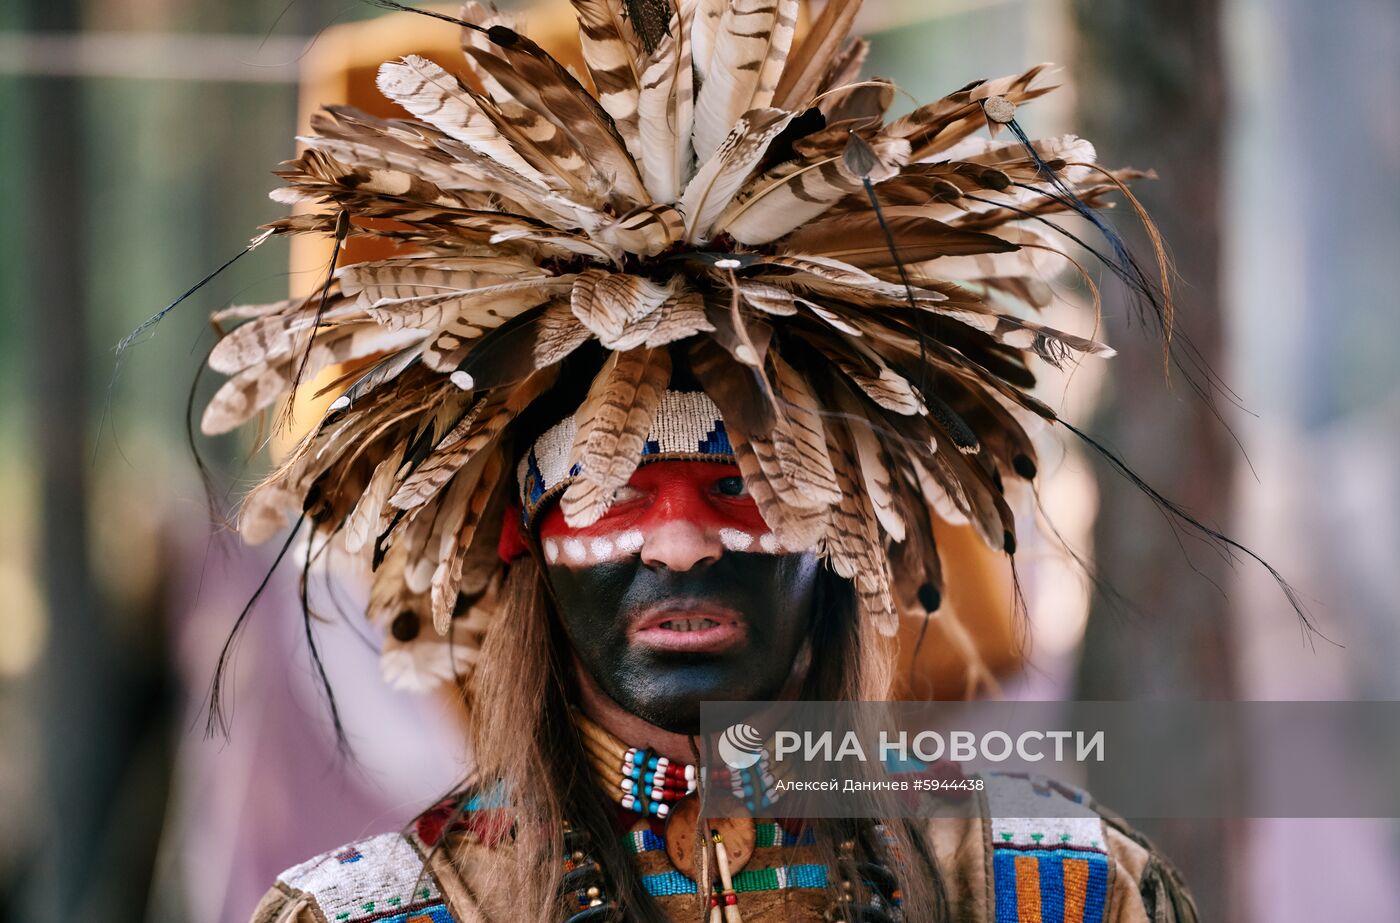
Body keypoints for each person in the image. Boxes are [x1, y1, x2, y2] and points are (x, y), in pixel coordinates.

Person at [199, 1, 1199, 920]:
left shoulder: (1059, 889)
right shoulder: (363, 914)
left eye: (738, 482)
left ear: (844, 522)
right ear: (521, 528)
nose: (678, 540)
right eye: (610, 484)